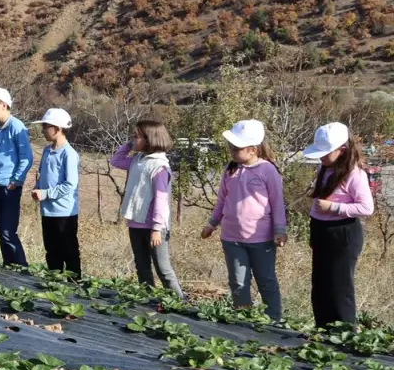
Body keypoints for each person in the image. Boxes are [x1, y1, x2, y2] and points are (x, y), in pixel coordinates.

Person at [200, 120, 286, 321]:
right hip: (232, 238)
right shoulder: (230, 170)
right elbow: (222, 200)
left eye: (236, 148)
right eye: (231, 146)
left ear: (253, 150)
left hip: (261, 239)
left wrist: (280, 230)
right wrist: (212, 224)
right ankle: (243, 320)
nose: (231, 150)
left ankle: (273, 320)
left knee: (266, 280)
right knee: (238, 282)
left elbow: (277, 203)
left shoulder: (268, 171)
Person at [301, 122, 373, 327]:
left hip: (344, 234)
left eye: (325, 153)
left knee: (339, 286)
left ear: (342, 150)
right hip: (322, 231)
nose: (321, 157)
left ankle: (346, 331)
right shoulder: (324, 168)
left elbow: (366, 208)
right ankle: (323, 328)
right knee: (320, 284)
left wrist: (334, 208)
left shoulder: (355, 175)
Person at [111, 119, 183, 296]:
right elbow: (115, 160)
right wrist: (130, 144)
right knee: (141, 265)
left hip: (154, 227)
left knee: (162, 268)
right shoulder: (137, 160)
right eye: (133, 137)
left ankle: (179, 302)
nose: (133, 140)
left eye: (136, 137)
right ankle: (148, 297)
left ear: (150, 139)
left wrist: (157, 228)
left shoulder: (159, 167)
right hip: (136, 223)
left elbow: (161, 200)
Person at [0, 88, 32, 266]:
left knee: (8, 231)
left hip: (8, 187)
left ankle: (22, 269)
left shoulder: (17, 127)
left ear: (4, 105)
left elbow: (26, 157)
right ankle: (8, 267)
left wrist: (16, 181)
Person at [29, 108, 80, 277]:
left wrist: (45, 194)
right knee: (51, 250)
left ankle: (75, 286)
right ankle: (54, 283)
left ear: (57, 129)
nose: (43, 130)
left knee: (69, 250)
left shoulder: (69, 154)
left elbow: (70, 184)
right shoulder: (46, 151)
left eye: (46, 126)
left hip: (64, 212)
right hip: (47, 211)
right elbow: (43, 173)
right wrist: (37, 188)